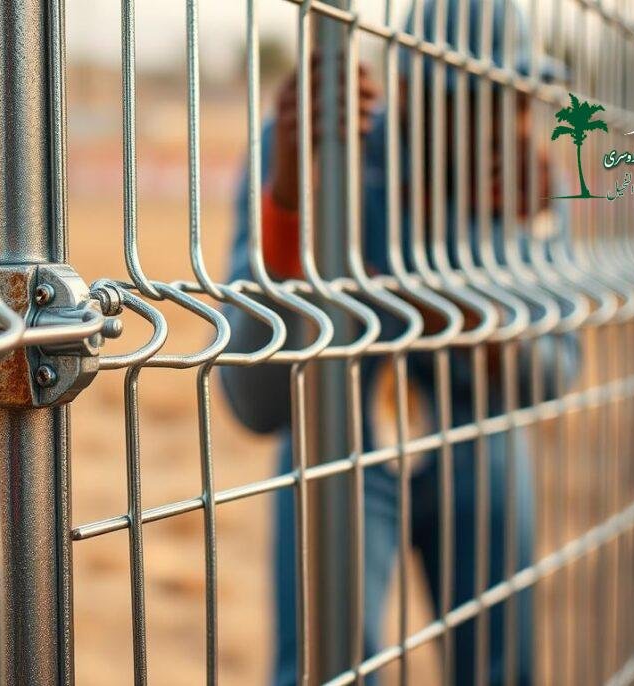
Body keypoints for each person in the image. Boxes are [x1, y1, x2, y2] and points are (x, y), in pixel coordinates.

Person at [218, 1, 581, 684]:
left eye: (522, 98)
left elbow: (558, 374)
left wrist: (489, 280)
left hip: (479, 432)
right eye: (491, 100)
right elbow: (253, 402)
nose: (519, 124)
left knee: (502, 668)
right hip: (341, 435)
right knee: (326, 667)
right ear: (413, 93)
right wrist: (292, 209)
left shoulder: (527, 184)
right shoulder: (312, 150)